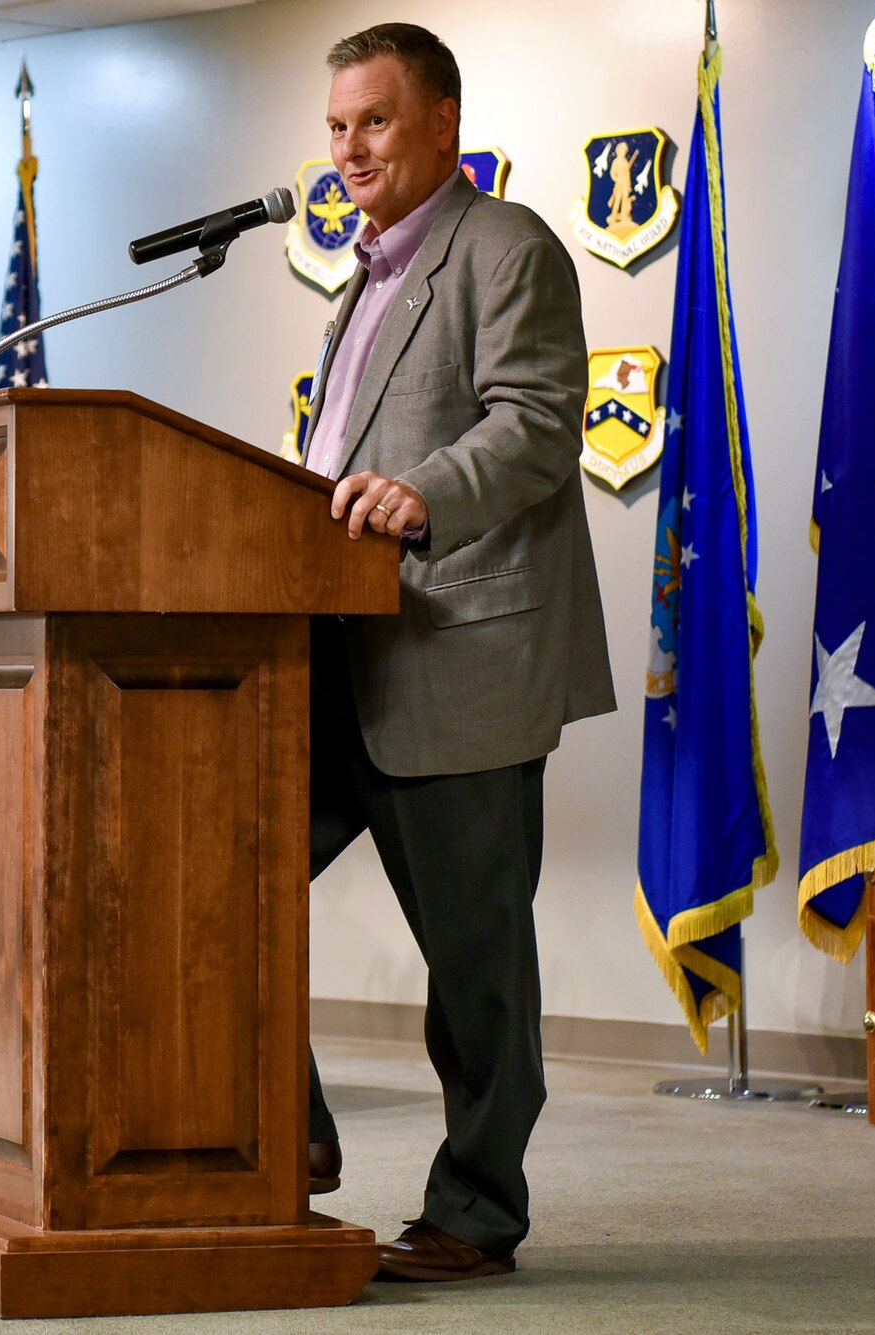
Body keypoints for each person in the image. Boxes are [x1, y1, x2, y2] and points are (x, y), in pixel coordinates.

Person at [297, 23, 615, 1282]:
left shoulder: (506, 250)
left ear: (440, 122)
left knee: (474, 965)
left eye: (372, 121)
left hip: (456, 656)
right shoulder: (354, 281)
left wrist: (419, 493)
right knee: (216, 885)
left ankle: (475, 1213)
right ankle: (286, 1144)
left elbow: (536, 426)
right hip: (331, 656)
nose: (348, 149)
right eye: (333, 127)